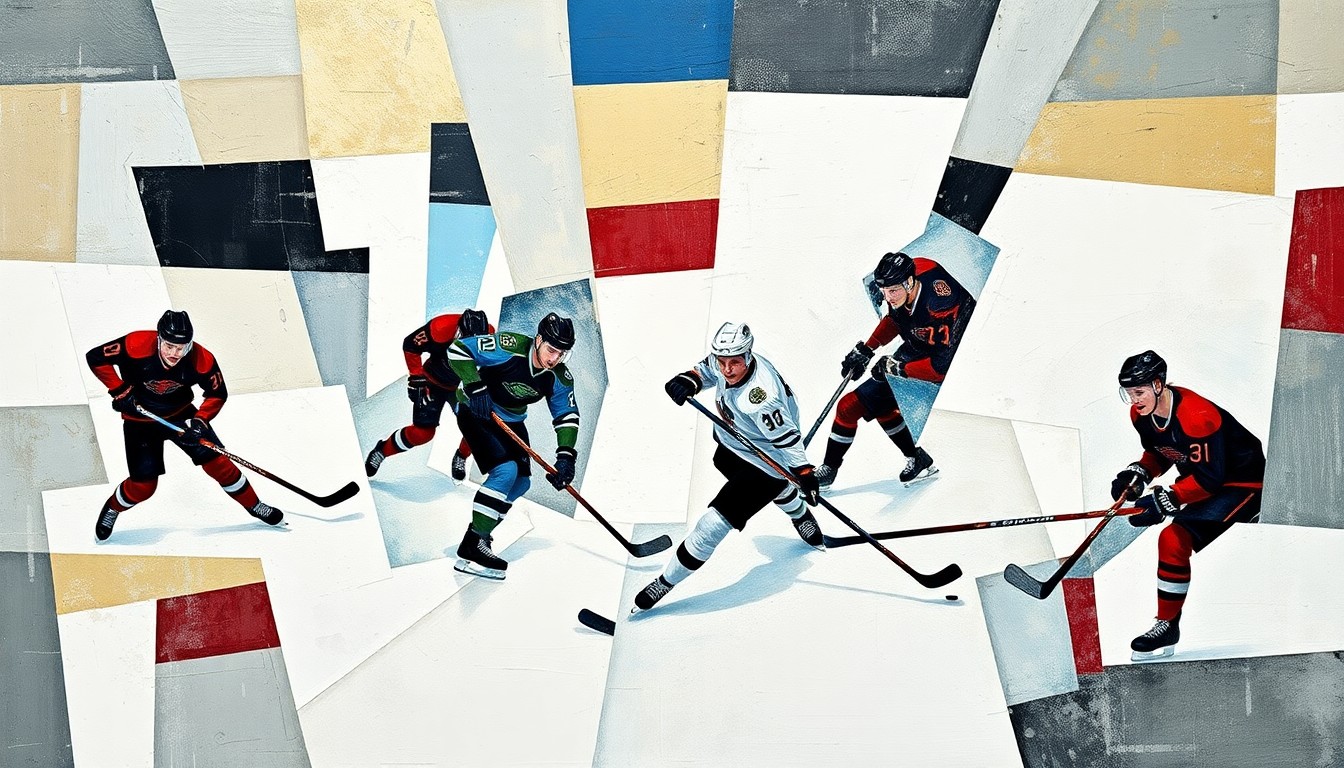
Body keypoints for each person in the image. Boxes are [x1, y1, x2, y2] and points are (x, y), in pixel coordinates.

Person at [632, 322, 826, 614]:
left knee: (711, 526)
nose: (726, 370)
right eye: (723, 361)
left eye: (734, 362)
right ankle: (798, 510)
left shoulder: (761, 398)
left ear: (748, 356)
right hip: (734, 443)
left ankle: (665, 581)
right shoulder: (724, 361)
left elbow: (786, 439)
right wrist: (690, 379)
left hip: (767, 461)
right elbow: (707, 369)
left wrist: (804, 473)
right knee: (728, 466)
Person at [1112, 350, 1265, 660]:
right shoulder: (1141, 414)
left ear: (1157, 385)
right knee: (1171, 540)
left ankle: (1167, 624)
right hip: (1208, 480)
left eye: (1138, 392)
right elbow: (1162, 453)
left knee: (1172, 536)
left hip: (1245, 484)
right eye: (1128, 393)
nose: (1133, 400)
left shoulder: (1197, 415)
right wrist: (1138, 473)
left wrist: (1166, 499)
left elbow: (1210, 480)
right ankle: (1167, 626)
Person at [85, 310, 284, 541]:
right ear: (159, 338)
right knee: (144, 487)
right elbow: (96, 357)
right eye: (169, 346)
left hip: (181, 415)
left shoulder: (202, 359)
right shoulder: (135, 343)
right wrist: (119, 390)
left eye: (181, 347)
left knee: (220, 464)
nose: (174, 353)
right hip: (139, 420)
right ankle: (112, 509)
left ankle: (254, 506)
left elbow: (217, 393)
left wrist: (200, 421)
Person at [818, 251, 976, 489]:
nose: (887, 297)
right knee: (852, 408)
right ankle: (914, 458)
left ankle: (914, 456)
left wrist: (896, 368)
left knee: (857, 406)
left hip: (948, 367)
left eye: (892, 291)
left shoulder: (939, 306)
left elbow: (940, 369)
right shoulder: (911, 276)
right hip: (918, 349)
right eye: (884, 291)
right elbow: (896, 319)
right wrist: (867, 349)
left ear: (910, 282)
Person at [445, 312, 582, 580]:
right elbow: (458, 350)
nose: (554, 358)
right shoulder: (509, 346)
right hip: (476, 410)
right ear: (539, 339)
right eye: (552, 349)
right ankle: (475, 544)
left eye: (562, 353)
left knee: (521, 483)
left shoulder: (559, 376)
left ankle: (476, 540)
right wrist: (474, 386)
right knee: (505, 471)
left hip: (511, 418)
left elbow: (566, 415)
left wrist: (566, 458)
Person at [364, 309, 492, 481]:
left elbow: (495, 364)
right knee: (422, 433)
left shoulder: (491, 337)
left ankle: (461, 456)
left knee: (477, 426)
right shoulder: (439, 328)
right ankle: (382, 451)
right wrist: (416, 377)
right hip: (432, 382)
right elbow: (410, 345)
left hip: (461, 386)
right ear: (458, 331)